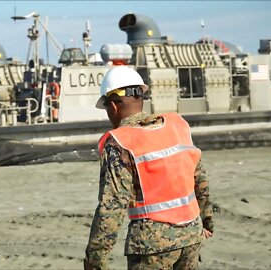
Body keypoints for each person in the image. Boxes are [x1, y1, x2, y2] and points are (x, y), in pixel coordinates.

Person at [84, 66, 214, 270]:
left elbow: (112, 206)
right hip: (191, 235)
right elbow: (200, 181)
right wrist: (207, 222)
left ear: (114, 107)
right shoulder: (177, 126)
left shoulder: (120, 142)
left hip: (151, 245)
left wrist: (95, 259)